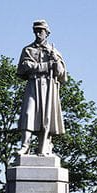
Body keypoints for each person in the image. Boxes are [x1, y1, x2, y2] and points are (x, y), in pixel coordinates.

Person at [17, 19, 66, 155]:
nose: (38, 34)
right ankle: (25, 145)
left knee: (46, 118)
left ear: (47, 33)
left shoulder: (54, 52)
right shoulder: (28, 50)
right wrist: (45, 66)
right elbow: (24, 67)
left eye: (41, 31)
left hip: (48, 86)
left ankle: (45, 145)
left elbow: (61, 73)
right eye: (36, 31)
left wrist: (55, 61)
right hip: (33, 84)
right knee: (28, 113)